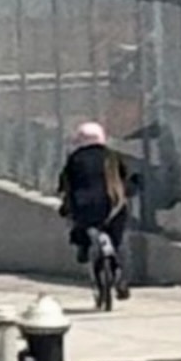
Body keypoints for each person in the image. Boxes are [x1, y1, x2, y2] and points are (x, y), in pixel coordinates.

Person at [57, 121, 134, 297]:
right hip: (113, 207)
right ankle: (122, 279)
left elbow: (65, 184)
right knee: (119, 242)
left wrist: (66, 204)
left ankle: (83, 247)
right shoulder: (113, 157)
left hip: (85, 208)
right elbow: (125, 180)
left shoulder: (75, 159)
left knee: (79, 225)